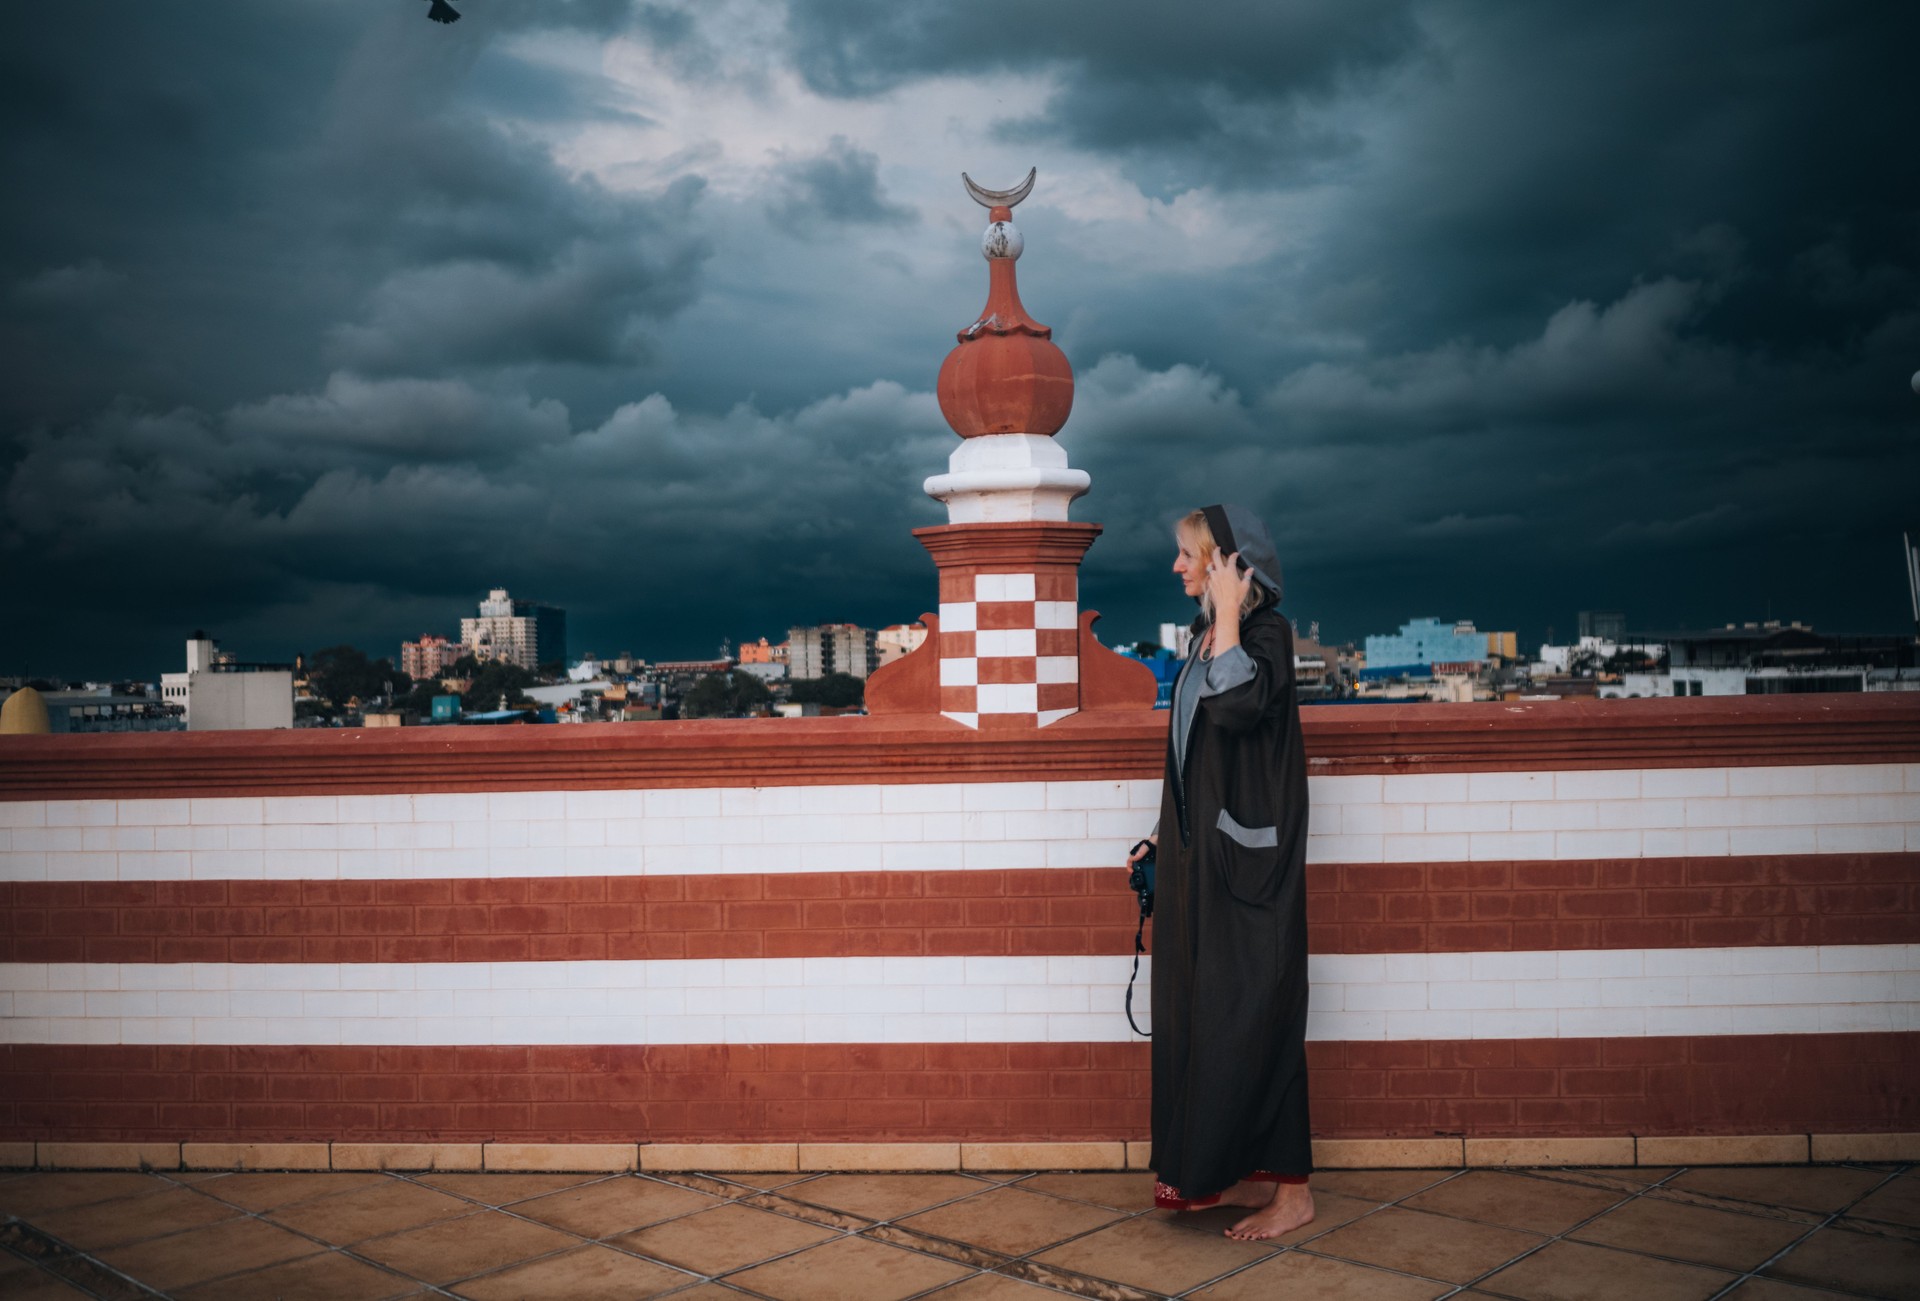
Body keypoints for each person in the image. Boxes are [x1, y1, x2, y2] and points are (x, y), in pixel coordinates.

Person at [1127, 503, 1314, 1241]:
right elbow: (1192, 756)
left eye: (1187, 555)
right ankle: (1224, 1171)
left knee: (1254, 1020)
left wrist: (1233, 610)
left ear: (1228, 563)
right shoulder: (1209, 637)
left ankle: (1293, 1192)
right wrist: (1156, 835)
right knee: (1206, 1020)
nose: (1176, 566)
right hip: (1194, 866)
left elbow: (1237, 711)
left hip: (1247, 870)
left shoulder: (1263, 634)